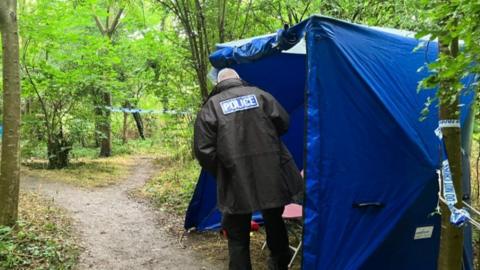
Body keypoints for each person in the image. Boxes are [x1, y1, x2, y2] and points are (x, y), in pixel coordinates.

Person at [193, 68, 303, 270]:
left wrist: (223, 169)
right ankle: (279, 262)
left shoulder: (211, 107)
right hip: (270, 172)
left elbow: (203, 150)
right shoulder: (260, 95)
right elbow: (283, 123)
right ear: (238, 79)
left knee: (237, 234)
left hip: (234, 177)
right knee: (274, 219)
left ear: (218, 83)